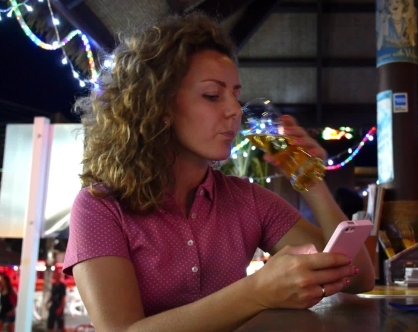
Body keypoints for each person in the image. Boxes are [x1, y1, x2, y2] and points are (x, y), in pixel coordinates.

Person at [63, 12, 374, 332]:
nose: (235, 110)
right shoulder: (100, 207)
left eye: (236, 96)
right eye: (213, 95)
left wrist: (311, 180)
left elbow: (357, 277)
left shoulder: (246, 200)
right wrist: (257, 292)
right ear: (160, 106)